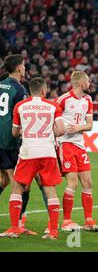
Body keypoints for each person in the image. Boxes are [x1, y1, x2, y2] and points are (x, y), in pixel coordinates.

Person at [0, 77, 65, 239]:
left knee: (17, 188)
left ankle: (15, 228)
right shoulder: (53, 106)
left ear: (29, 91)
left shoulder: (20, 106)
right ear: (44, 91)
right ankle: (53, 231)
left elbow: (14, 132)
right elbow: (61, 130)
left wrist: (24, 131)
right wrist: (50, 133)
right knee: (50, 189)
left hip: (28, 152)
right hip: (47, 153)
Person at [0, 54, 48, 235]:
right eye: (24, 66)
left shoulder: (0, 85)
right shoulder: (20, 91)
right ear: (19, 68)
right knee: (19, 184)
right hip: (9, 142)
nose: (25, 68)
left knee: (3, 180)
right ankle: (17, 225)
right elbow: (24, 119)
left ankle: (19, 222)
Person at [56, 71, 98, 232]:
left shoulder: (88, 100)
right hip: (65, 144)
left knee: (88, 182)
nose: (90, 84)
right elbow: (53, 118)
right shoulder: (63, 99)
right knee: (73, 182)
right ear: (81, 83)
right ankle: (66, 221)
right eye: (88, 81)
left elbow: (90, 125)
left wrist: (78, 128)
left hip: (80, 145)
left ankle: (88, 220)